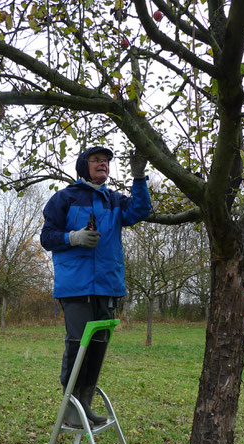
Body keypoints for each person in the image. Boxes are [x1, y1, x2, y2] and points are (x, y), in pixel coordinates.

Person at [40, 145, 151, 427]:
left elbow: (140, 211)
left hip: (108, 285)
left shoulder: (114, 200)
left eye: (106, 161)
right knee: (79, 345)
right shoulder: (65, 198)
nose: (103, 164)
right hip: (75, 286)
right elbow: (47, 236)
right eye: (96, 160)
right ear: (83, 165)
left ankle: (85, 404)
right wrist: (73, 237)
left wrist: (139, 178)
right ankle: (70, 406)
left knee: (99, 346)